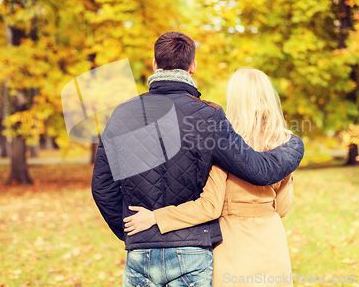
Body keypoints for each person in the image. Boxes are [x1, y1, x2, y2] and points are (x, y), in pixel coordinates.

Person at [91, 32, 304, 287]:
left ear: (154, 64)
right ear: (193, 66)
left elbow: (102, 187)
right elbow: (259, 171)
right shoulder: (208, 116)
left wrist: (134, 232)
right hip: (192, 250)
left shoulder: (122, 114)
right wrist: (293, 145)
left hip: (141, 248)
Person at [124, 68, 296, 287]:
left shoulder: (225, 142)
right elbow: (282, 208)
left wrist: (157, 217)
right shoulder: (283, 143)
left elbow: (209, 207)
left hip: (234, 245)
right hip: (272, 244)